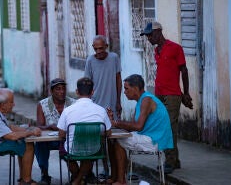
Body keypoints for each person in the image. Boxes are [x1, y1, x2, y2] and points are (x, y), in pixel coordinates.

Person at [140, 21, 193, 173]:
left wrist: (185, 93)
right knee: (163, 126)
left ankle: (169, 161)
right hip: (159, 94)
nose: (148, 38)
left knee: (168, 127)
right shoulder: (157, 51)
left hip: (171, 96)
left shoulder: (175, 48)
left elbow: (183, 71)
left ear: (158, 32)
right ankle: (174, 160)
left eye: (150, 35)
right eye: (147, 36)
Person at [109, 74, 173, 185]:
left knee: (118, 142)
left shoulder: (146, 100)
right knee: (118, 138)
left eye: (126, 88)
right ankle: (119, 178)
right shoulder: (141, 101)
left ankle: (121, 180)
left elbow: (138, 127)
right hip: (149, 137)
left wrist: (116, 123)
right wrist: (115, 123)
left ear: (136, 88)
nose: (124, 92)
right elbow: (132, 126)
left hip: (155, 140)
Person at [0, 88, 41, 185]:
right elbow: (11, 136)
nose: (14, 105)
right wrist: (30, 133)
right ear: (2, 104)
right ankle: (26, 181)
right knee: (27, 145)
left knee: (22, 140)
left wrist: (28, 128)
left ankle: (23, 179)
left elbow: (8, 127)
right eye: (11, 102)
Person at [57, 77, 112, 185]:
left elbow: (61, 134)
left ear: (77, 92)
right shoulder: (101, 110)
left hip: (73, 150)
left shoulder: (68, 111)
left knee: (63, 149)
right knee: (89, 151)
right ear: (92, 92)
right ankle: (79, 179)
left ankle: (77, 179)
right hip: (94, 149)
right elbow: (108, 133)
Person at [84, 35, 122, 179]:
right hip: (95, 107)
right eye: (95, 49)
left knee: (113, 141)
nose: (98, 51)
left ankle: (115, 173)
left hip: (111, 105)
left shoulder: (114, 58)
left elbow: (118, 79)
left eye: (101, 48)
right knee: (97, 142)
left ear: (106, 46)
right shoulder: (90, 60)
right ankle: (99, 171)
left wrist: (119, 101)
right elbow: (87, 83)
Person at [34, 78, 75, 185]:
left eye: (63, 89)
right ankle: (45, 174)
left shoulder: (73, 103)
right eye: (58, 89)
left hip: (69, 139)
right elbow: (40, 126)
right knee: (40, 143)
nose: (62, 91)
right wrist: (50, 126)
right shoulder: (42, 104)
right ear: (52, 91)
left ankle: (78, 174)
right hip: (51, 140)